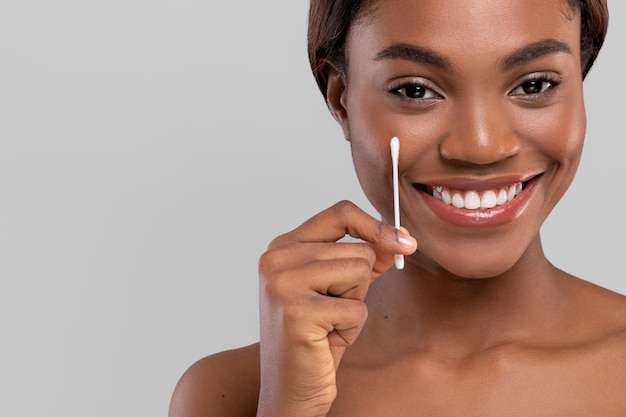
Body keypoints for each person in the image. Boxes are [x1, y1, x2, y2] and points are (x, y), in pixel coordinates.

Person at [169, 0, 626, 415]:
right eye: (415, 91)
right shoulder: (229, 392)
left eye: (534, 84)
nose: (482, 146)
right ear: (341, 99)